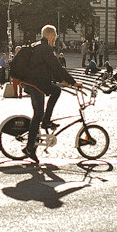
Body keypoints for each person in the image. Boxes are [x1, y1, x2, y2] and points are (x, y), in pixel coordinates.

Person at [20, 24, 80, 163]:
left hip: (33, 81)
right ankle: (30, 147)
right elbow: (57, 67)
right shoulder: (45, 48)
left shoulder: (37, 46)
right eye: (55, 36)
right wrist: (72, 82)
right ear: (51, 35)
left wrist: (61, 80)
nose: (55, 39)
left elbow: (46, 68)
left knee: (56, 90)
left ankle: (46, 121)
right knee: (38, 114)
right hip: (35, 84)